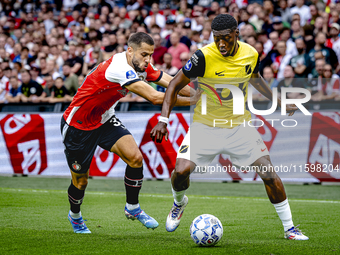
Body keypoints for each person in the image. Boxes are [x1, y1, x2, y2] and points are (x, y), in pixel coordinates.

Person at [150, 14, 309, 241]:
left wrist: (280, 102)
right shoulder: (203, 57)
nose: (221, 44)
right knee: (181, 172)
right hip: (205, 125)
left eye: (226, 38)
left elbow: (255, 79)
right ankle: (178, 202)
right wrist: (163, 121)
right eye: (217, 39)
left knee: (269, 173)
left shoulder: (251, 53)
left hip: (239, 126)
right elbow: (174, 84)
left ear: (236, 33)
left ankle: (290, 228)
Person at [61, 32, 198, 234]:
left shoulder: (141, 66)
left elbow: (173, 83)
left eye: (150, 55)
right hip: (77, 126)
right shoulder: (118, 68)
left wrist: (199, 94)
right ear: (130, 50)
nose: (148, 60)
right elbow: (154, 97)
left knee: (135, 158)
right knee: (80, 182)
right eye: (144, 54)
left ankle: (132, 208)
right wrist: (197, 101)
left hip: (104, 119)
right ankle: (75, 216)